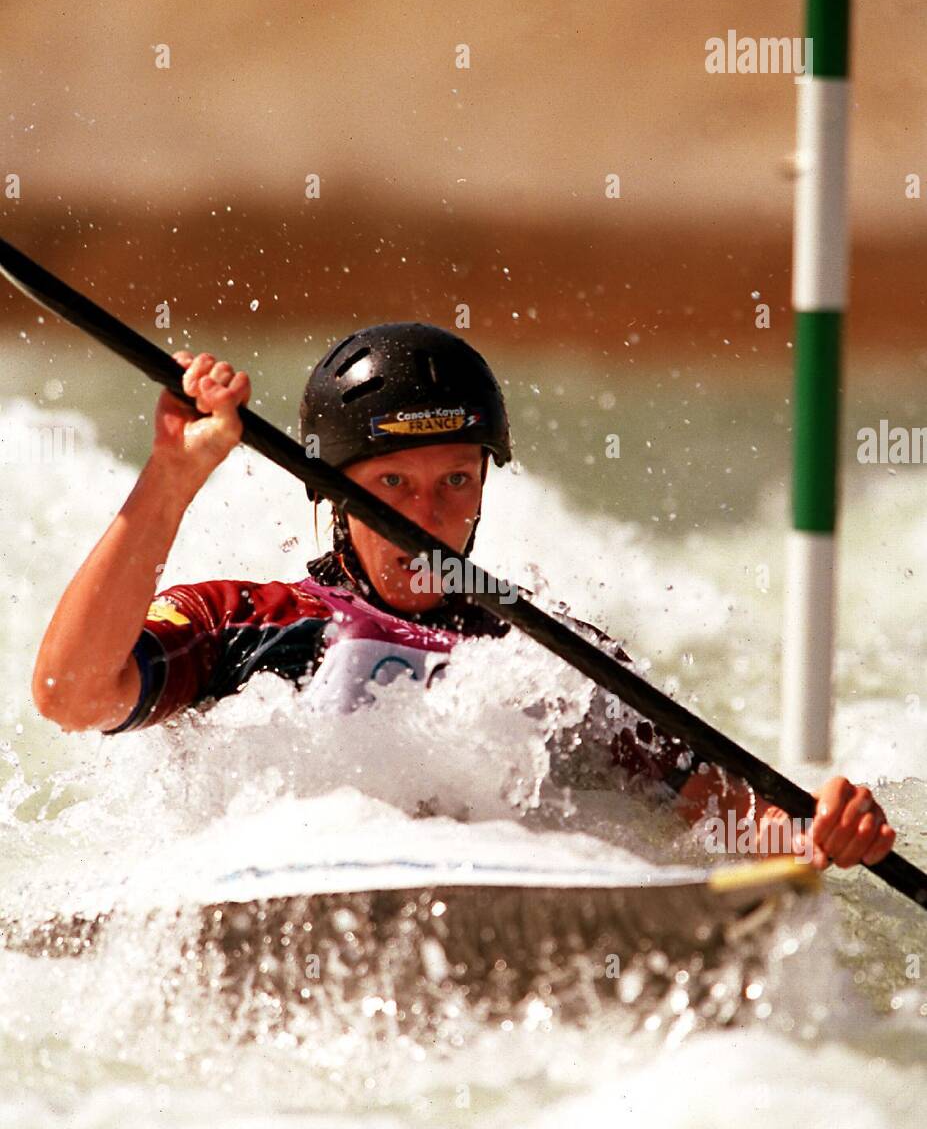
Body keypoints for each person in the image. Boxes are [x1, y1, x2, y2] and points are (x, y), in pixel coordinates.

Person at [32, 323, 895, 872]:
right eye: (392, 482)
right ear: (332, 491)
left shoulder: (545, 656)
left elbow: (718, 811)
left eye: (455, 479)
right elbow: (69, 696)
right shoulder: (247, 623)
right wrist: (172, 479)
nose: (426, 513)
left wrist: (815, 836)